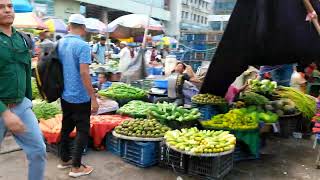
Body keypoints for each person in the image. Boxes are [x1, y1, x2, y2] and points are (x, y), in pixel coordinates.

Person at [0, 1, 46, 180]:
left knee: (38, 150)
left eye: (10, 6)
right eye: (1, 6)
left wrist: (28, 102)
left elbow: (27, 73)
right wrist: (5, 113)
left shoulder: (23, 38)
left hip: (21, 106)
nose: (7, 10)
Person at [57, 14, 99, 178]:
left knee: (66, 126)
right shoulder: (82, 46)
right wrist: (93, 97)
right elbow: (84, 72)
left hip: (64, 94)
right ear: (83, 28)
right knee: (82, 130)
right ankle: (76, 167)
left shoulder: (60, 43)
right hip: (80, 96)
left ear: (69, 26)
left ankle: (64, 159)